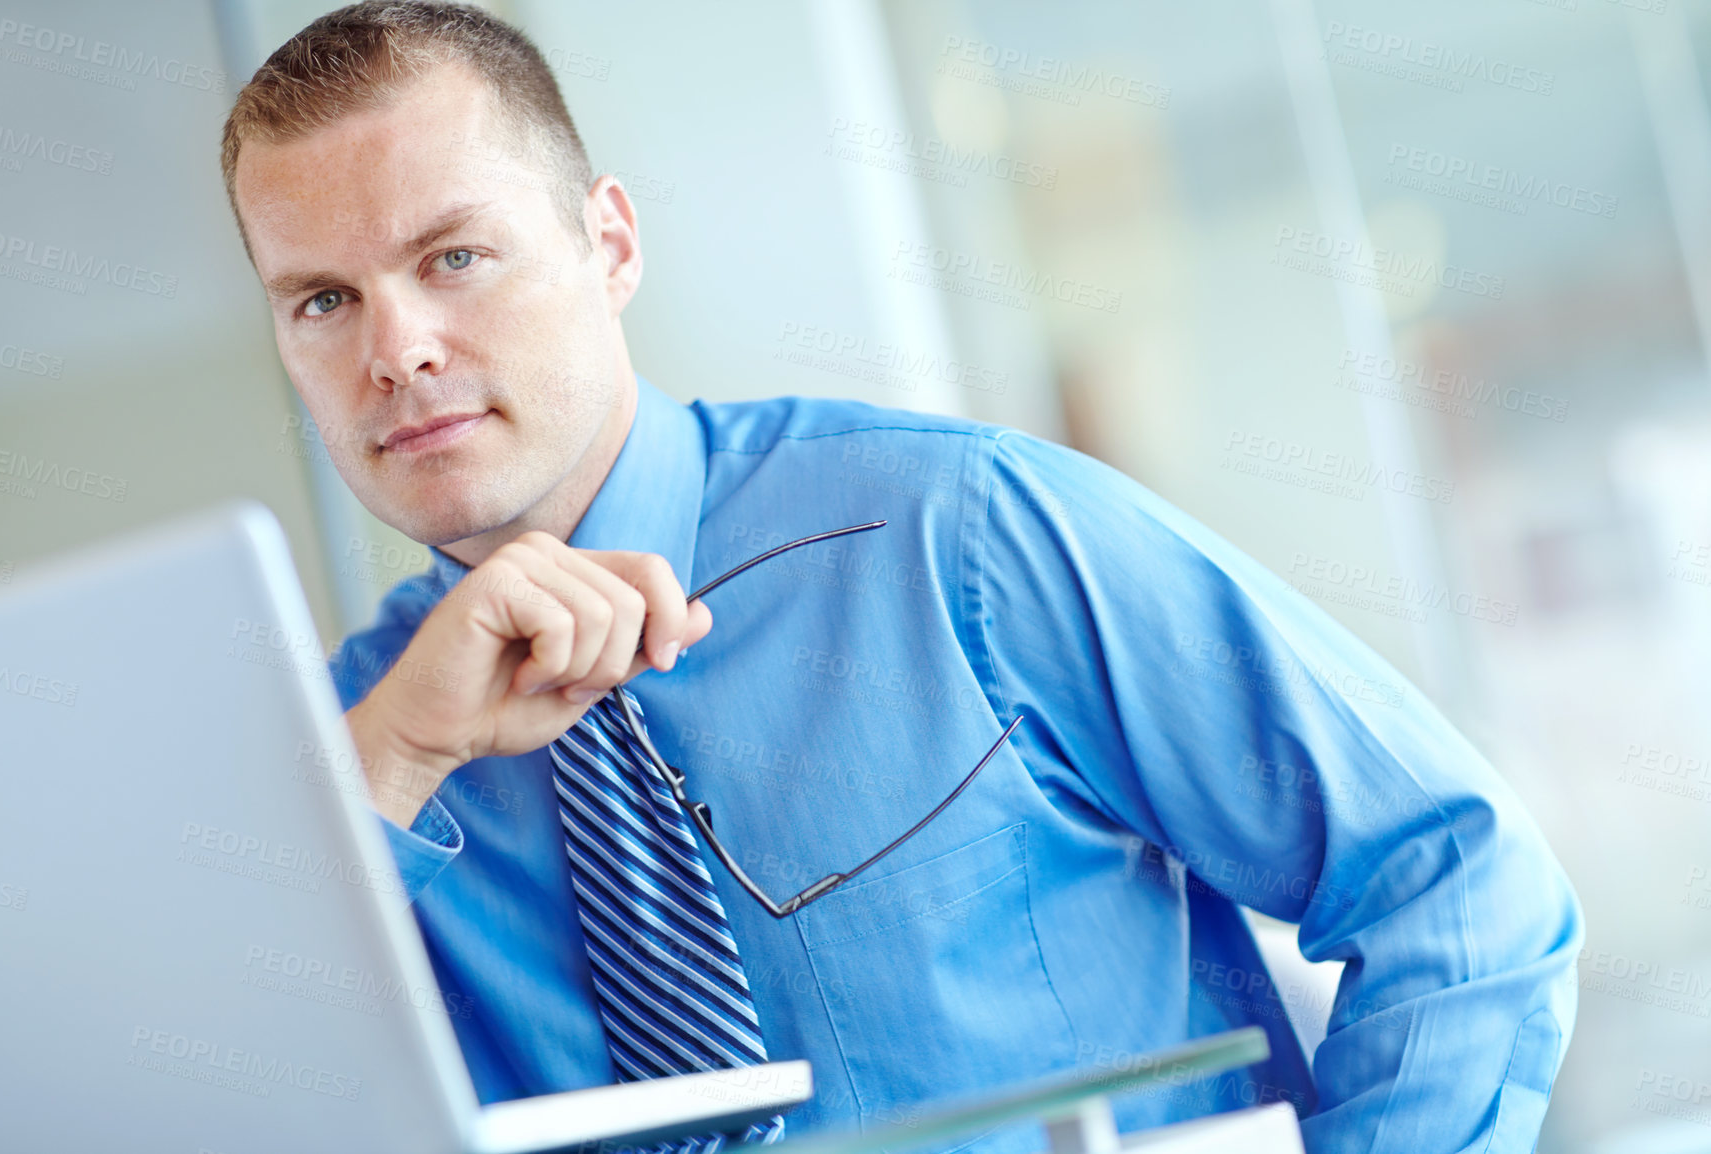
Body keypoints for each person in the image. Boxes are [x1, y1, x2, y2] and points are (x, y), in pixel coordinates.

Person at [221, 4, 1582, 1151]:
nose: (393, 349)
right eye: (321, 300)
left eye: (454, 256)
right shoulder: (347, 761)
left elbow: (1454, 875)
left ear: (610, 245)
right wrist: (385, 765)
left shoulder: (953, 534)